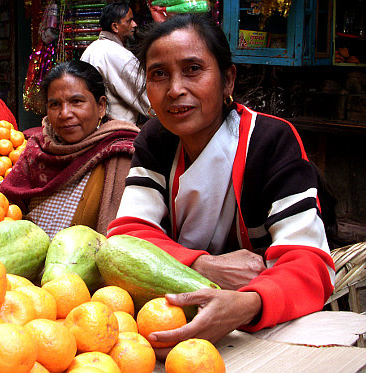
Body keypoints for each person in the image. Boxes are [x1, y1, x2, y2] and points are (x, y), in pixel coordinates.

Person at [107, 14, 335, 356]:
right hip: (182, 321)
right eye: (158, 75)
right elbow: (127, 236)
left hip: (263, 324)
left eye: (193, 69)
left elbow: (308, 263)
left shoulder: (269, 141)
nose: (175, 89)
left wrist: (248, 303)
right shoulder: (156, 140)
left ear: (227, 80)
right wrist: (201, 265)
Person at [0, 60, 139, 238]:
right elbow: (8, 208)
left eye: (76, 101)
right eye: (55, 104)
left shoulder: (120, 151)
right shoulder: (37, 150)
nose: (65, 113)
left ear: (101, 106)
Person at [80, 1, 150, 125]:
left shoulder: (91, 49)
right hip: (118, 129)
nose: (134, 25)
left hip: (97, 126)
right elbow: (142, 92)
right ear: (115, 27)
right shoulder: (118, 54)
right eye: (129, 21)